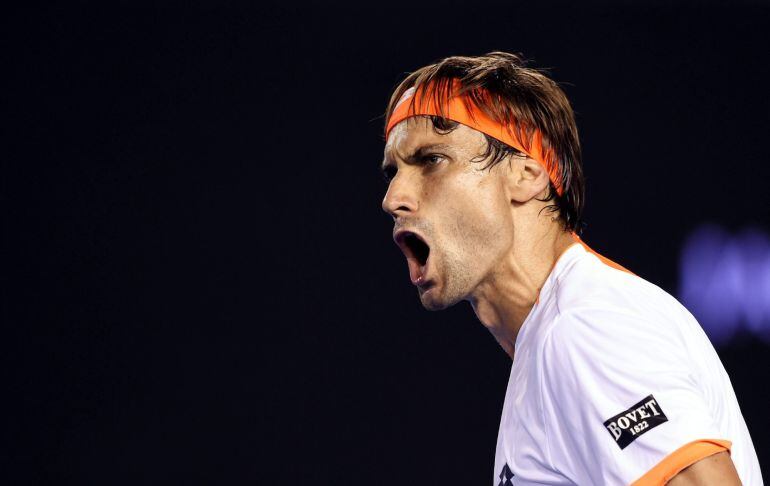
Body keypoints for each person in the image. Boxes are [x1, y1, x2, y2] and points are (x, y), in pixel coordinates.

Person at [379, 52, 763, 485]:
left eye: (431, 160)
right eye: (393, 171)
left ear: (527, 174)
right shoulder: (552, 339)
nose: (393, 198)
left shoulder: (583, 328)